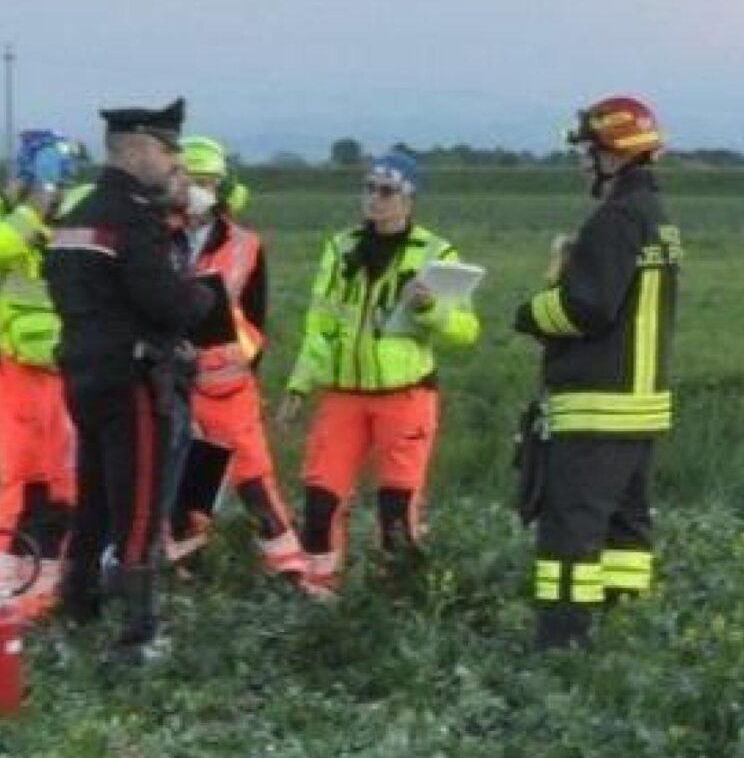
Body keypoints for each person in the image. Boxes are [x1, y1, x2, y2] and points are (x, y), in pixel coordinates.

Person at [44, 98, 233, 656]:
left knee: (95, 496)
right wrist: (201, 297)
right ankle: (137, 633)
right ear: (135, 149)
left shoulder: (77, 214)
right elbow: (166, 301)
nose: (173, 160)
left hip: (82, 372)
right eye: (167, 149)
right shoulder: (135, 220)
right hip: (134, 379)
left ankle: (77, 608)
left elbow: (61, 287)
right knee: (141, 505)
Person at [515, 94, 680, 650]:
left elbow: (588, 307)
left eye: (590, 150)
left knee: (570, 534)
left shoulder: (614, 220)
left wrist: (533, 311)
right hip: (640, 409)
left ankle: (562, 647)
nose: (585, 162)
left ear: (614, 153)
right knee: (626, 533)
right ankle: (625, 632)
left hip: (596, 408)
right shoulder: (657, 218)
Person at [280, 148, 479, 591]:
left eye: (387, 191)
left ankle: (398, 602)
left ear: (409, 199)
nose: (375, 200)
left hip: (406, 396)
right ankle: (317, 595)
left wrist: (430, 311)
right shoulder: (340, 248)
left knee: (397, 506)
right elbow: (321, 325)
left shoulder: (436, 253)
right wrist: (299, 384)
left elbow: (465, 332)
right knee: (320, 501)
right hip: (343, 394)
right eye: (369, 189)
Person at [0, 130, 84, 610]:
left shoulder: (45, 224)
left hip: (51, 370)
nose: (61, 191)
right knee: (23, 478)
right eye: (56, 178)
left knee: (59, 481)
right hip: (4, 369)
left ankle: (41, 597)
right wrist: (39, 200)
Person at [166, 137, 308, 582]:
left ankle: (290, 571)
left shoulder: (246, 245)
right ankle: (187, 570)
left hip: (227, 386)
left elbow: (257, 322)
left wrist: (232, 358)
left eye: (207, 182)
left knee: (253, 480)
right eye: (191, 181)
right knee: (191, 486)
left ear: (224, 188)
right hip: (174, 383)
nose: (197, 191)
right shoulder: (154, 238)